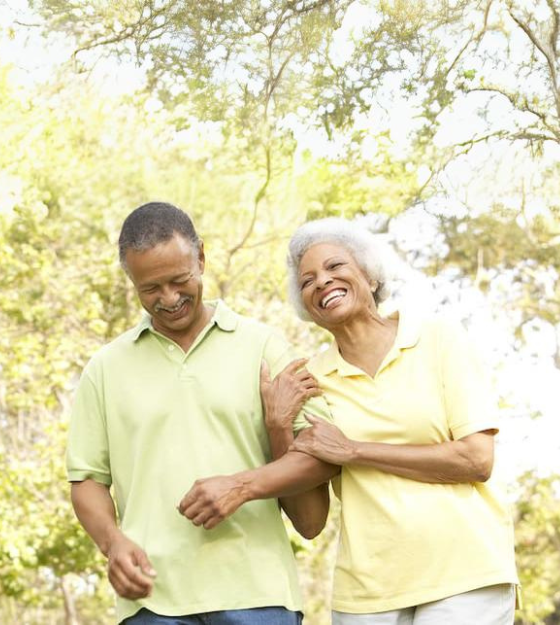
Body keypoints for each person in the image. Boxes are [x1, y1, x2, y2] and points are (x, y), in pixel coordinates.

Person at [66, 202, 338, 625]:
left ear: (202, 259)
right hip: (152, 602)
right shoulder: (104, 368)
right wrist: (112, 542)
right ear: (131, 280)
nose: (169, 299)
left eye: (179, 280)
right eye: (150, 289)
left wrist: (242, 486)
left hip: (258, 595)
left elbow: (322, 456)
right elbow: (86, 479)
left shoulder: (264, 347)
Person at [278, 217, 520, 624]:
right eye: (308, 280)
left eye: (335, 267)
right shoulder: (311, 382)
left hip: (466, 571)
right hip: (367, 591)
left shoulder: (438, 338)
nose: (322, 281)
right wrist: (279, 424)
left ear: (370, 277)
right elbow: (310, 521)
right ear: (306, 307)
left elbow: (477, 460)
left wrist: (355, 451)